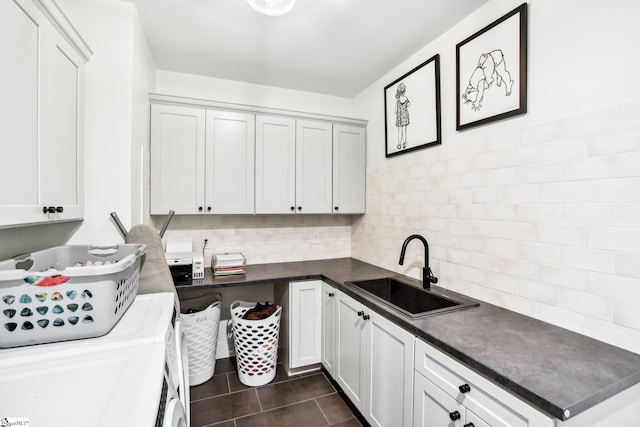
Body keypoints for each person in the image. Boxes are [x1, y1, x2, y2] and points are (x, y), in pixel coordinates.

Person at [395, 82, 410, 149]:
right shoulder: (406, 98)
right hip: (404, 116)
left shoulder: (397, 101)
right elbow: (408, 105)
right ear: (404, 91)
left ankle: (399, 144)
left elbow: (395, 111)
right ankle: (404, 143)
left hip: (399, 117)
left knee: (399, 130)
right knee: (404, 129)